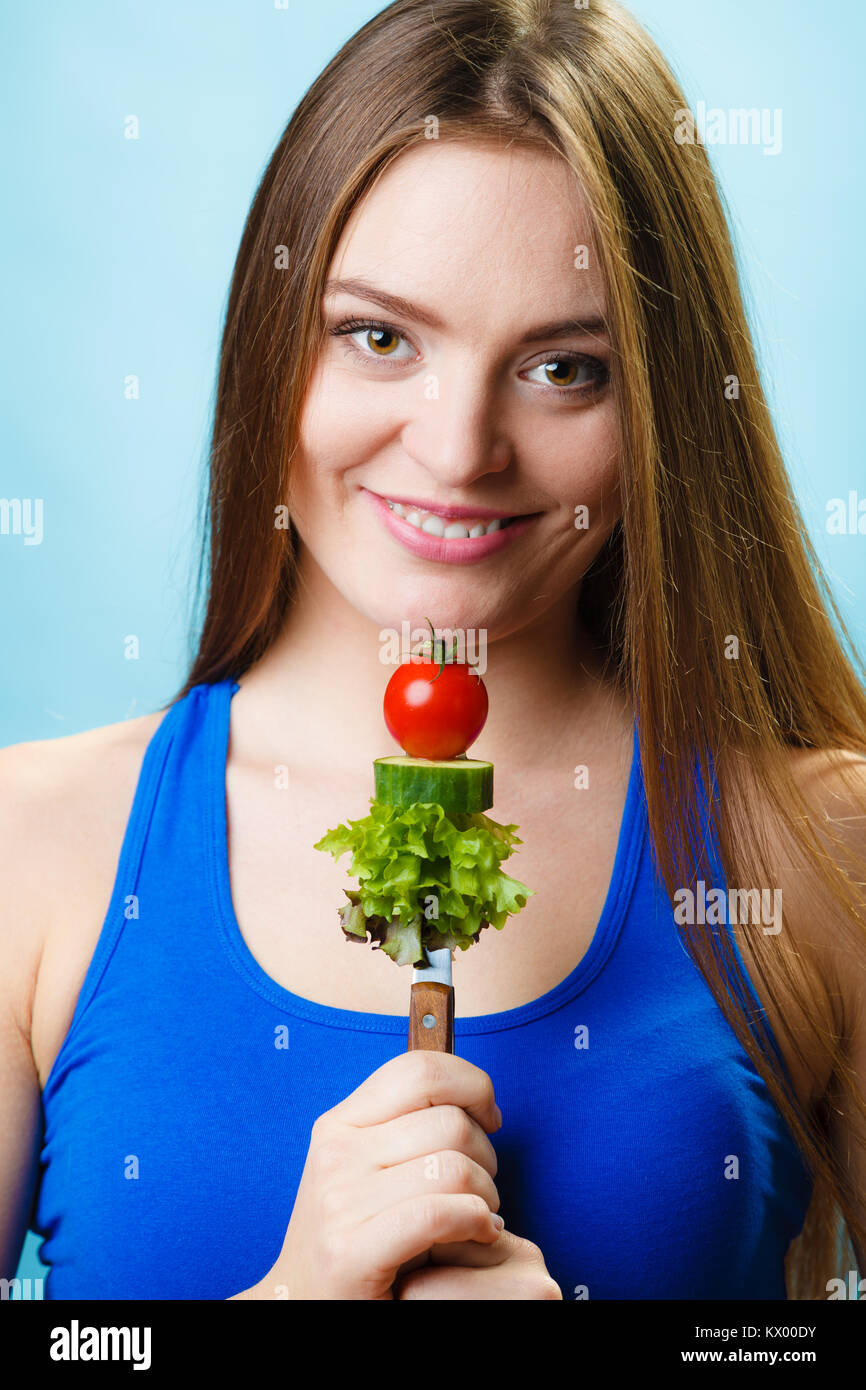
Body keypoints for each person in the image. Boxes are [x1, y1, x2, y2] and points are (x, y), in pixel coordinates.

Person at [2, 0, 865, 1301]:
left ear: (661, 406)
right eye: (379, 336)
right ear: (270, 348)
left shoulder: (819, 849)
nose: (459, 447)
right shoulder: (33, 846)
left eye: (565, 368)